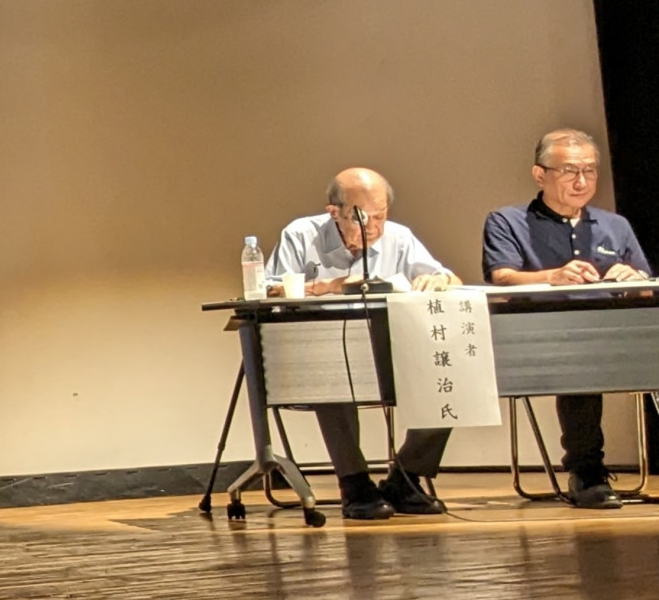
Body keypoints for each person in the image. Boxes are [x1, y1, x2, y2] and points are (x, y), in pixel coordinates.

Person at [265, 167, 463, 520]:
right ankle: (354, 482)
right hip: (323, 352)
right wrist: (327, 286)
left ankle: (407, 476)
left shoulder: (399, 237)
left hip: (392, 346)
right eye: (359, 218)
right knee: (330, 376)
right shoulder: (300, 234)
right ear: (334, 212)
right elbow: (270, 290)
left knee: (449, 374)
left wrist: (439, 279)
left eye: (381, 216)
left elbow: (447, 276)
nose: (372, 226)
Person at [483, 128, 651, 509]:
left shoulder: (614, 225)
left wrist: (635, 279)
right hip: (540, 334)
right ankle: (586, 470)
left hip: (610, 330)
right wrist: (551, 276)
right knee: (581, 355)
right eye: (570, 171)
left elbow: (645, 284)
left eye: (590, 171)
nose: (582, 181)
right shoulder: (509, 221)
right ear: (540, 174)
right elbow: (502, 278)